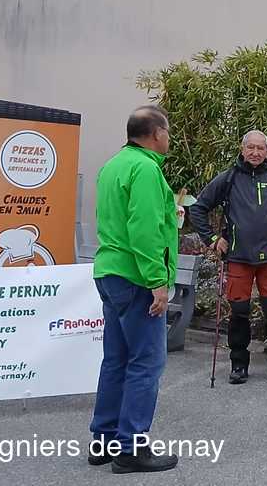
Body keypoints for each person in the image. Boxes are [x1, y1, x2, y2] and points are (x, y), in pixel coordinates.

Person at [89, 105, 179, 473]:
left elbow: (116, 218)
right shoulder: (146, 169)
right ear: (156, 133)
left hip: (110, 272)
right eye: (168, 131)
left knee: (116, 360)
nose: (169, 138)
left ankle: (104, 440)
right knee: (146, 363)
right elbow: (143, 229)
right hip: (136, 277)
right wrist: (157, 280)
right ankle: (131, 447)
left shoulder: (113, 165)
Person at [189, 130, 267, 385]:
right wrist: (212, 239)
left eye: (260, 148)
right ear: (242, 150)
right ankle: (239, 366)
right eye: (250, 147)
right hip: (238, 259)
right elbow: (198, 208)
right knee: (239, 314)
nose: (255, 153)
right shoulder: (228, 178)